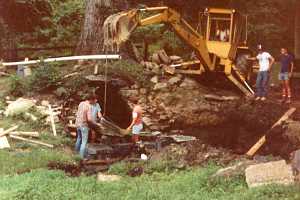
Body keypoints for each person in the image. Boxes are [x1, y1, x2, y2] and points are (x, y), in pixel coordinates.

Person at [75, 93, 98, 158]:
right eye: (94, 100)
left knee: (79, 139)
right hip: (83, 126)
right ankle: (81, 157)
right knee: (84, 142)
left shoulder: (81, 103)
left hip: (77, 124)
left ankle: (75, 154)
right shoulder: (88, 106)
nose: (94, 102)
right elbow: (89, 119)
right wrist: (95, 124)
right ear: (91, 100)